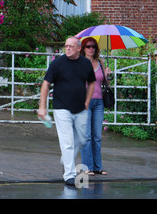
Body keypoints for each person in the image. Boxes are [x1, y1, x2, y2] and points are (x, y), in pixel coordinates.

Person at [38, 36, 96, 186]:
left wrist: (87, 102)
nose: (68, 48)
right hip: (61, 108)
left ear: (79, 48)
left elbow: (91, 83)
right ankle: (69, 174)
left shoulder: (85, 64)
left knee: (82, 139)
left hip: (81, 108)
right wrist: (42, 107)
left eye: (71, 46)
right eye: (66, 46)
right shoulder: (57, 63)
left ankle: (66, 157)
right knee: (67, 142)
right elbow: (45, 85)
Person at [80, 37, 110, 176]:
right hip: (85, 102)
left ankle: (98, 167)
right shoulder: (80, 63)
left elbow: (106, 85)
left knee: (97, 136)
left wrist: (108, 76)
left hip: (99, 103)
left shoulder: (100, 62)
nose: (91, 48)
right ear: (83, 48)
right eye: (88, 46)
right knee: (86, 136)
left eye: (93, 46)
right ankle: (87, 167)